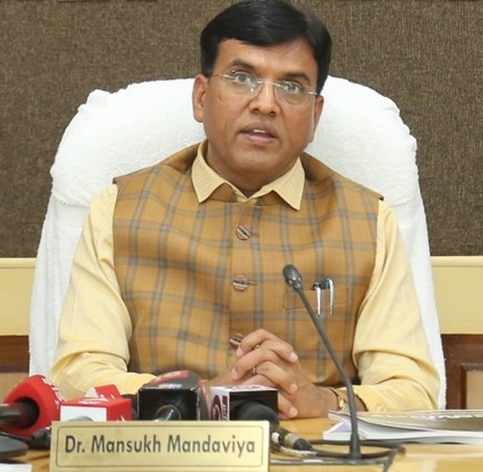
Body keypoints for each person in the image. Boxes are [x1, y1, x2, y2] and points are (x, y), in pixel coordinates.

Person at [51, 0, 439, 419]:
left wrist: (324, 401)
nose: (266, 104)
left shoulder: (368, 221)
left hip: (313, 449)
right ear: (201, 97)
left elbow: (412, 390)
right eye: (242, 78)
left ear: (315, 116)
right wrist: (198, 395)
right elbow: (77, 375)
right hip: (169, 447)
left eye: (292, 87)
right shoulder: (119, 210)